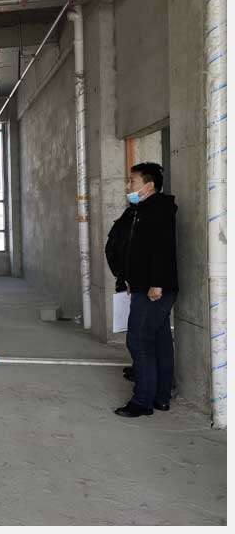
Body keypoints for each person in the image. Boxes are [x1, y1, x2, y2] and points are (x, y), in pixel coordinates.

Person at [105, 162, 178, 418]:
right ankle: (161, 397)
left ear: (149, 186)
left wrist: (156, 284)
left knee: (138, 341)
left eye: (132, 181)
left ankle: (142, 401)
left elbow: (162, 249)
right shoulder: (142, 210)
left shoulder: (157, 210)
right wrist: (128, 278)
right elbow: (136, 250)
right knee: (159, 340)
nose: (128, 186)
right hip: (144, 286)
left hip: (153, 290)